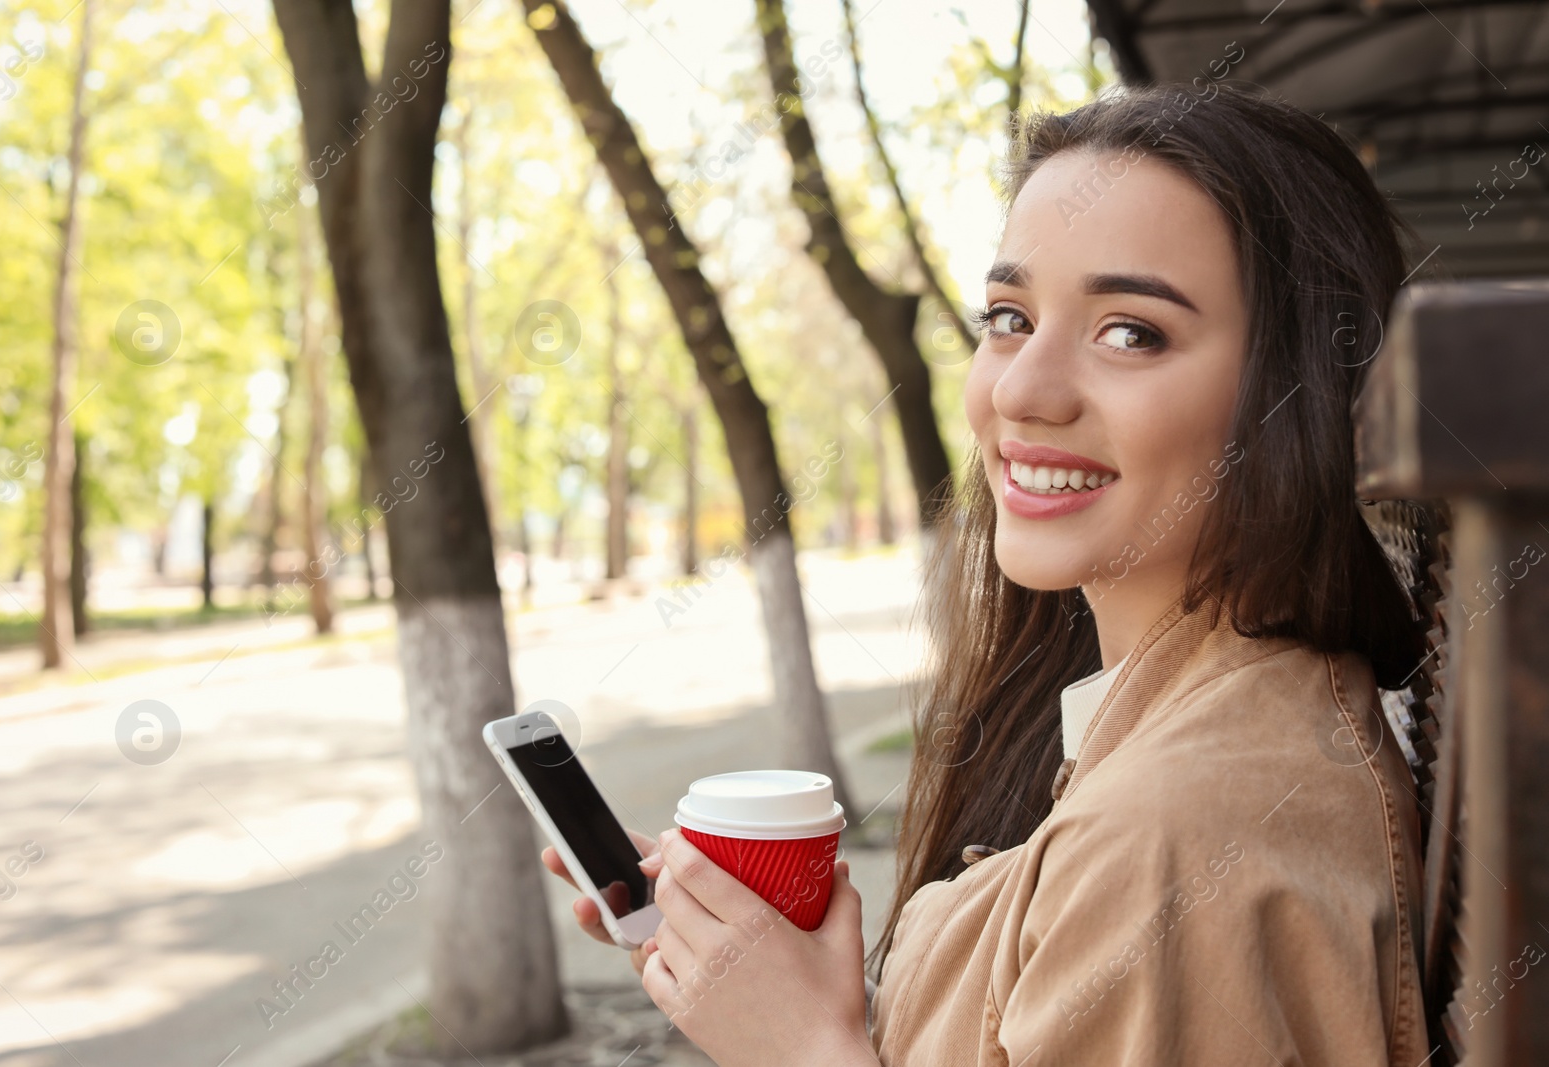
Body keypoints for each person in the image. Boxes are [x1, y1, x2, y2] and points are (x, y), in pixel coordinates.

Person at [543, 82, 1431, 1066]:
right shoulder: (1167, 731)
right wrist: (775, 984)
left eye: (1130, 331)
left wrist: (799, 1049)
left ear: (1300, 392)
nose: (1018, 387)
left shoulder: (1176, 835)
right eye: (1008, 316)